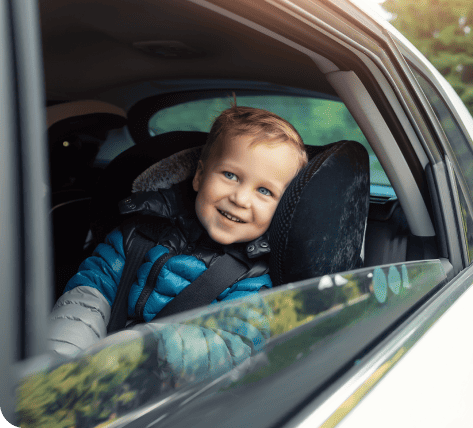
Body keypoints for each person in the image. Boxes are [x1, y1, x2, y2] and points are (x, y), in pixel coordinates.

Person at [48, 106, 308, 385]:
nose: (241, 199)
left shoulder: (255, 282)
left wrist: (147, 348)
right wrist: (64, 352)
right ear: (199, 176)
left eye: (264, 191)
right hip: (89, 375)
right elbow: (89, 291)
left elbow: (232, 344)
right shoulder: (136, 234)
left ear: (281, 210)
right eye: (230, 175)